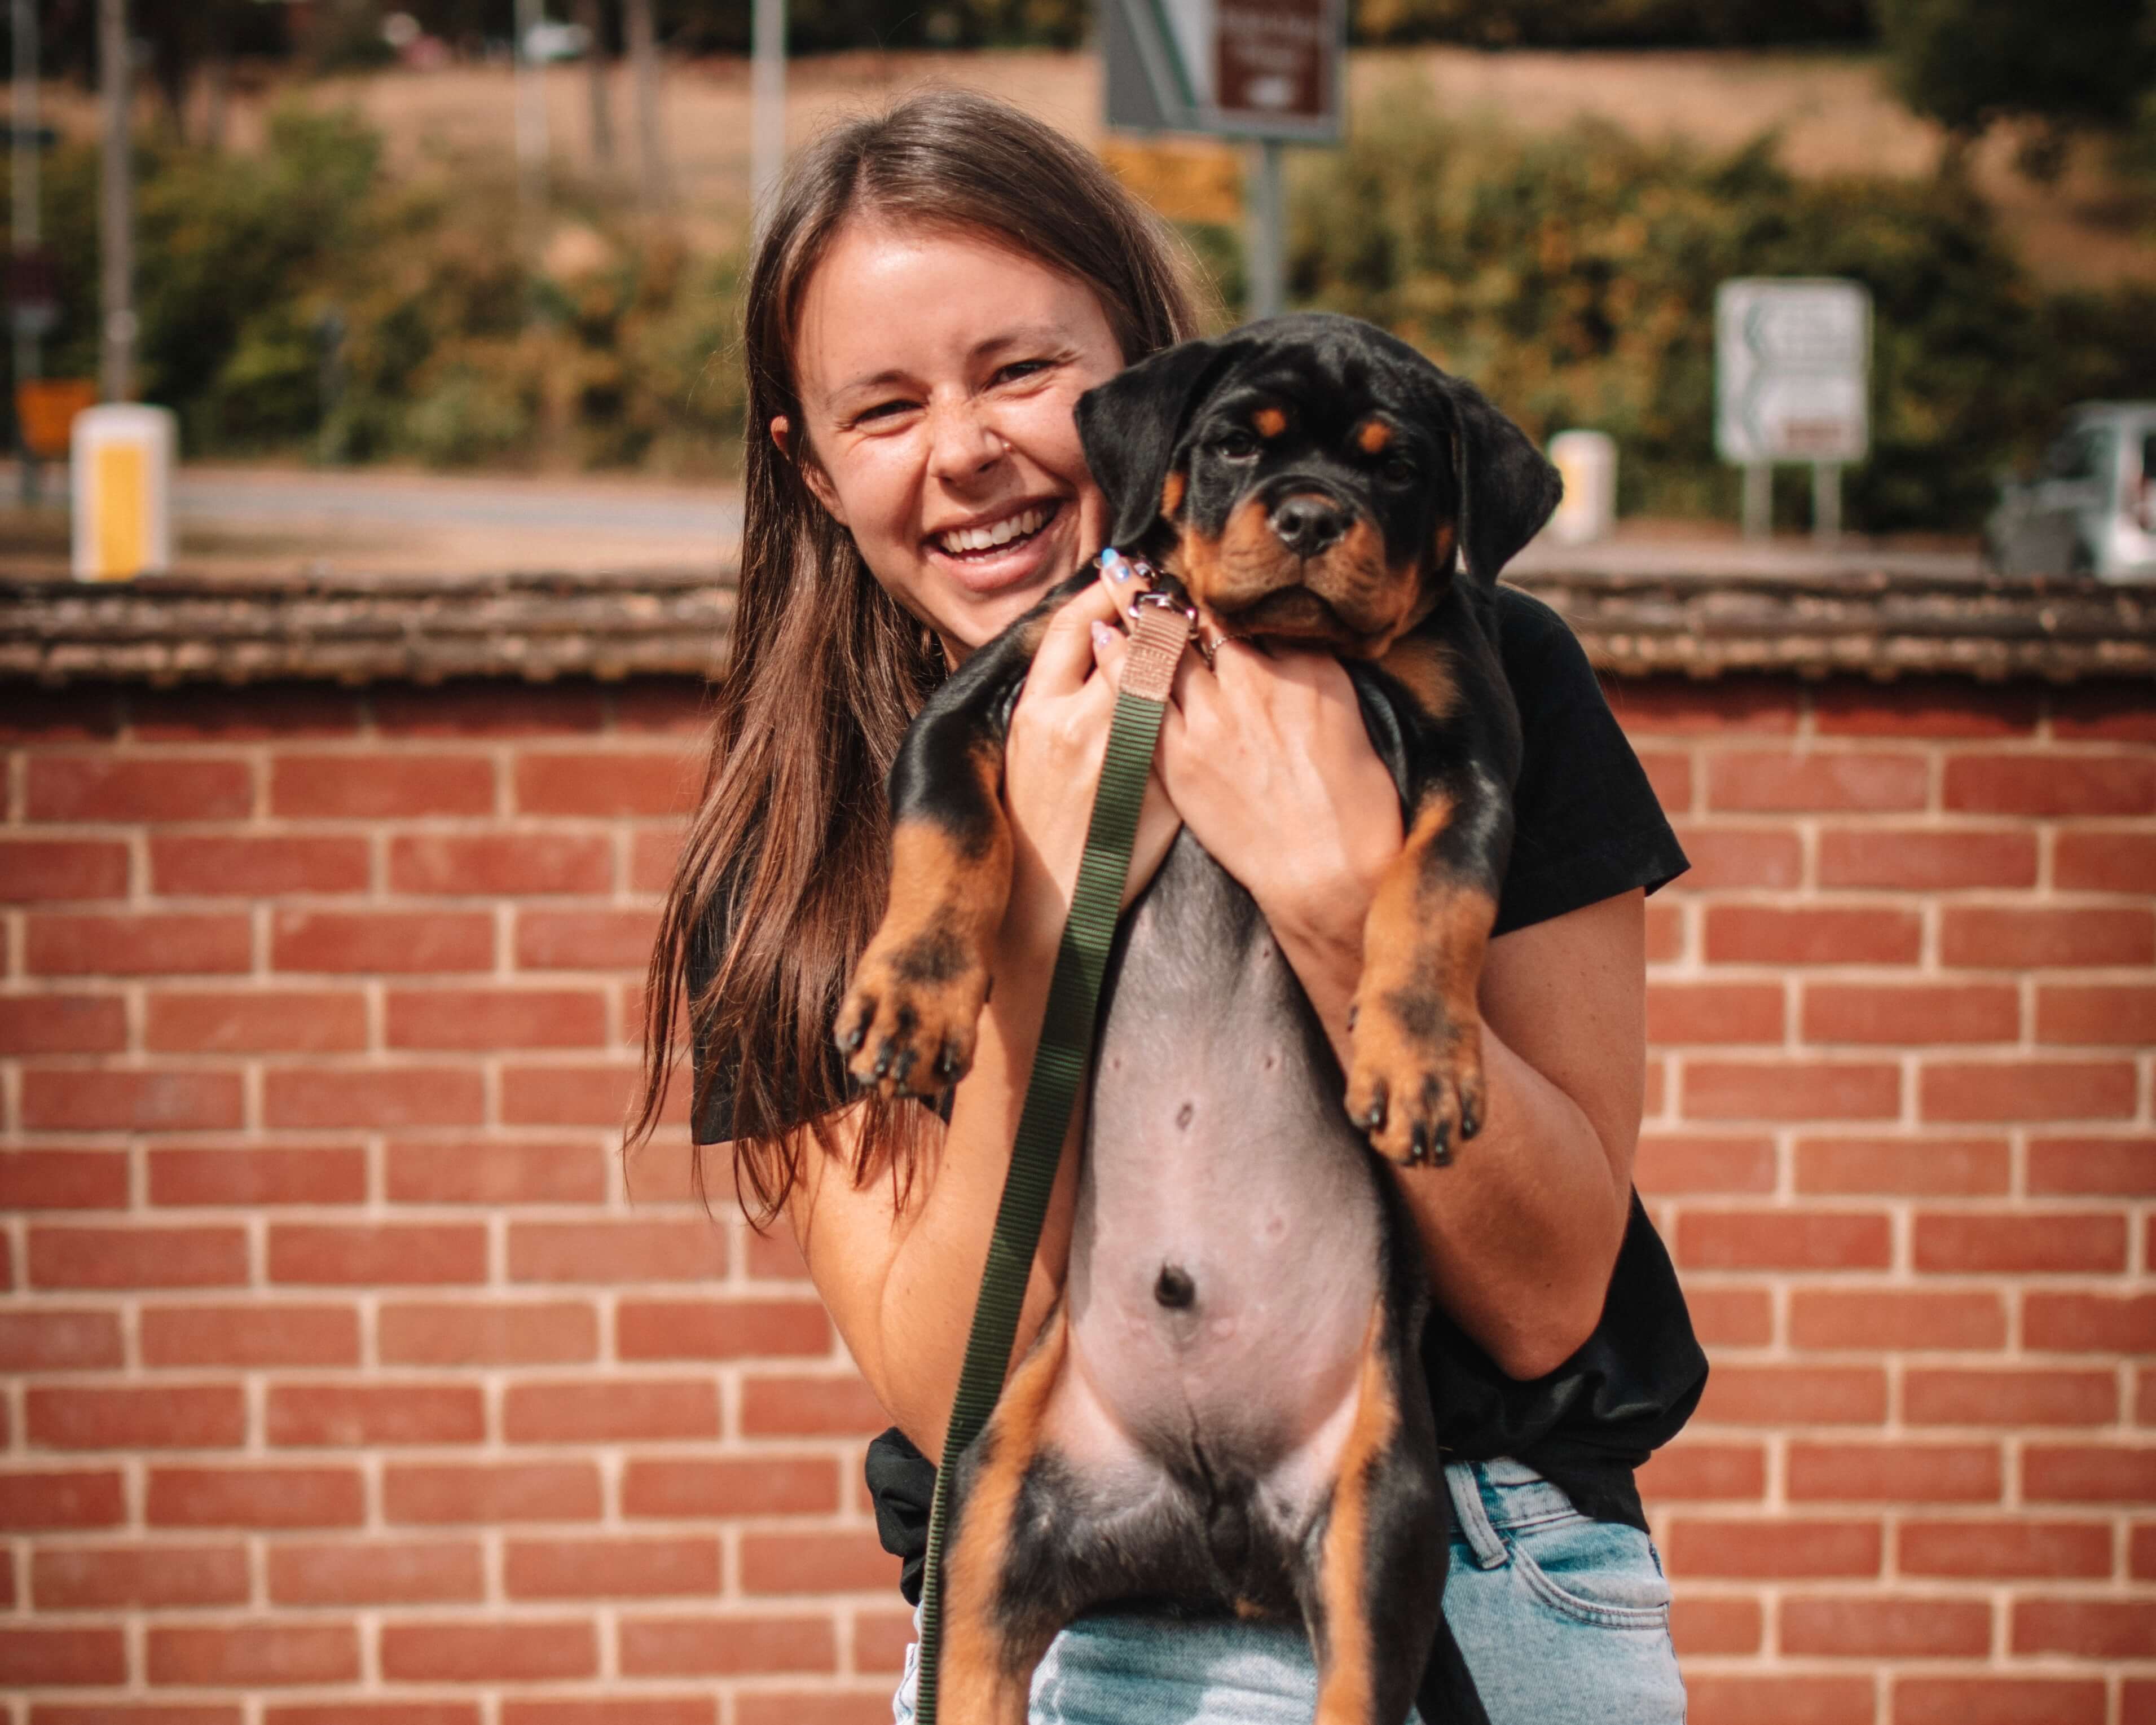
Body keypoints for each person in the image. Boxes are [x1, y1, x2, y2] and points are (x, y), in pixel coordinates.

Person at [632, 87, 1705, 1725]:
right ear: (811, 465)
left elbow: (1550, 1293)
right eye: (883, 407)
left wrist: (1342, 896)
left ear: (1143, 384)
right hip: (1047, 1605)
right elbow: (946, 1381)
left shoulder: (1486, 686)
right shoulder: (810, 846)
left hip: (1444, 1584)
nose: (966, 448)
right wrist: (1048, 897)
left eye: (1017, 371)